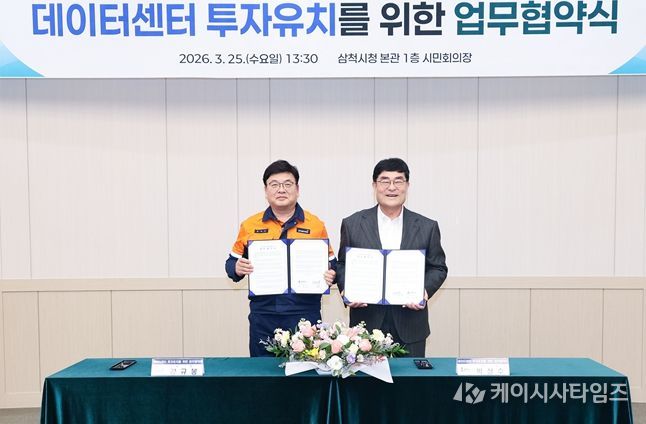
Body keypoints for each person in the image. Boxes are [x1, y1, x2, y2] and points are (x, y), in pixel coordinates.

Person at [336, 158, 447, 357]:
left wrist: (423, 291)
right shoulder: (352, 224)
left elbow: (438, 267)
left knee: (409, 377)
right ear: (374, 186)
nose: (392, 187)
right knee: (366, 378)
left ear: (407, 185)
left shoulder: (427, 226)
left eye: (398, 181)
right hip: (366, 323)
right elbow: (342, 264)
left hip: (410, 324)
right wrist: (347, 291)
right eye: (385, 181)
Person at [225, 160, 336, 357]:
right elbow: (231, 264)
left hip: (305, 314)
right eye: (274, 184)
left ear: (297, 189)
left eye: (287, 184)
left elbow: (333, 264)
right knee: (263, 371)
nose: (281, 190)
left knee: (306, 369)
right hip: (264, 315)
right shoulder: (250, 225)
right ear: (266, 190)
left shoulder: (315, 225)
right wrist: (237, 268)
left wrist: (331, 274)